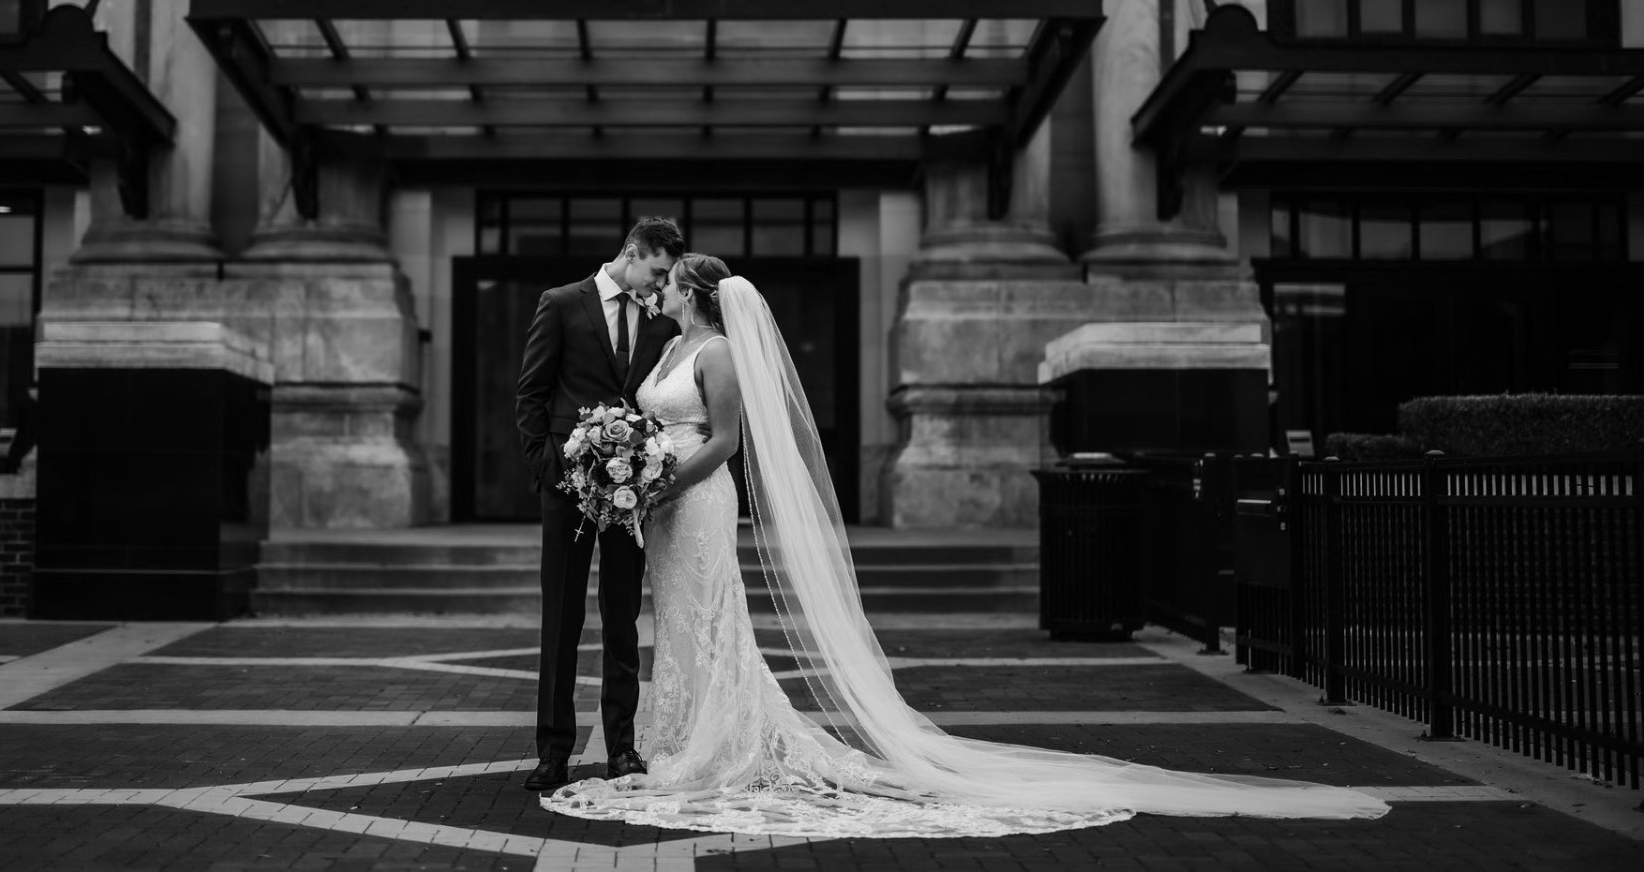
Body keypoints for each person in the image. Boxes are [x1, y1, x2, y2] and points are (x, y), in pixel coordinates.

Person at [542, 253, 1390, 838]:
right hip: (660, 513)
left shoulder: (718, 351)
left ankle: (715, 738)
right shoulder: (671, 347)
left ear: (691, 292)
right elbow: (652, 421)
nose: (654, 295)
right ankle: (682, 729)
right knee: (680, 622)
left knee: (716, 617)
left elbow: (726, 442)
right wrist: (632, 464)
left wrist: (659, 481)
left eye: (665, 288)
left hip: (695, 502)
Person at [515, 216, 684, 792]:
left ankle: (621, 748)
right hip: (567, 488)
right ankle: (553, 750)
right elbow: (531, 391)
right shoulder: (562, 303)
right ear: (632, 253)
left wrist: (650, 467)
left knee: (622, 620)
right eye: (657, 271)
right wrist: (547, 470)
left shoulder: (661, 324)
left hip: (631, 493)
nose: (660, 285)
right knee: (560, 618)